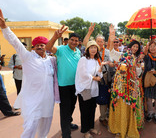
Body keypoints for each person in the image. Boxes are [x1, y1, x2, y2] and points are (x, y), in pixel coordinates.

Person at [0, 9, 61, 138]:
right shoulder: (27, 57)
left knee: (45, 128)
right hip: (32, 100)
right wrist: (5, 28)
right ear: (32, 47)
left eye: (42, 45)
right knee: (30, 127)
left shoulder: (51, 60)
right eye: (37, 45)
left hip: (48, 100)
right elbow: (15, 42)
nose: (40, 47)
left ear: (46, 47)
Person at [108, 25, 144, 138]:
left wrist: (139, 65)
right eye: (134, 46)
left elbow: (138, 74)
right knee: (120, 105)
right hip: (120, 86)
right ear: (130, 46)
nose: (135, 48)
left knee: (129, 107)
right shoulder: (122, 55)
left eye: (137, 47)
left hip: (132, 86)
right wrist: (111, 36)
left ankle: (129, 129)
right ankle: (119, 128)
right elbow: (111, 51)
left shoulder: (137, 59)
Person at [46, 31, 80, 138]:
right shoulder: (61, 49)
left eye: (76, 40)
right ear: (68, 40)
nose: (74, 42)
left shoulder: (78, 51)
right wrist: (55, 37)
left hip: (75, 85)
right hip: (64, 86)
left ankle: (68, 123)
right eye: (72, 40)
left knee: (72, 106)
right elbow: (48, 48)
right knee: (65, 110)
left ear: (78, 42)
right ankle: (66, 134)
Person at [83, 23, 114, 127]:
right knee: (90, 101)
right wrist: (89, 32)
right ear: (94, 43)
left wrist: (114, 64)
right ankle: (88, 124)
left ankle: (103, 117)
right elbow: (85, 43)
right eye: (98, 42)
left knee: (104, 98)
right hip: (92, 79)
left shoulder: (108, 51)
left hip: (105, 77)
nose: (100, 43)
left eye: (102, 41)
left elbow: (111, 63)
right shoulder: (92, 51)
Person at [75, 41, 108, 138]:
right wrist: (94, 78)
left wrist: (101, 66)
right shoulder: (83, 59)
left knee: (92, 109)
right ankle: (85, 131)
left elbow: (99, 74)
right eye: (91, 47)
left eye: (95, 47)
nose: (93, 49)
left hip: (93, 89)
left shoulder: (95, 60)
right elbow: (83, 73)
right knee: (85, 110)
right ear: (87, 49)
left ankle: (91, 127)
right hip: (85, 89)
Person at [143, 41, 156, 124]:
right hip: (148, 79)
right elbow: (146, 65)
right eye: (150, 46)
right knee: (149, 98)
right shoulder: (147, 57)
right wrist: (145, 52)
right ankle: (150, 113)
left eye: (154, 46)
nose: (152, 48)